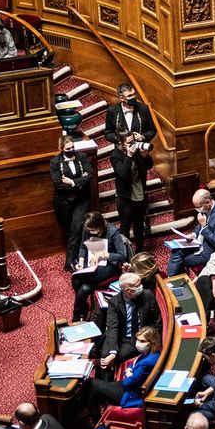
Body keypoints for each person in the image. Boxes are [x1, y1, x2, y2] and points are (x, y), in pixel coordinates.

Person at [105, 83, 157, 244]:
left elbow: (152, 130)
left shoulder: (143, 109)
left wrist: (142, 138)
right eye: (129, 95)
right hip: (123, 154)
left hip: (139, 155)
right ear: (121, 97)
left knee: (141, 187)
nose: (133, 97)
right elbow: (107, 133)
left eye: (134, 94)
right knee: (127, 185)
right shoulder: (112, 111)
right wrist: (122, 141)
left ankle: (143, 217)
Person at [71, 212, 131, 321]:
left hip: (108, 264)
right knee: (83, 286)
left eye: (93, 230)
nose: (90, 232)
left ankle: (77, 314)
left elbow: (122, 255)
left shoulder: (113, 232)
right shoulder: (87, 229)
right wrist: (81, 261)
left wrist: (103, 255)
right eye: (89, 230)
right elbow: (83, 247)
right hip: (91, 261)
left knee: (77, 279)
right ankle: (82, 307)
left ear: (100, 226)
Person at [88, 325, 160, 409]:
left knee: (90, 382)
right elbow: (134, 363)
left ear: (152, 342)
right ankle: (97, 419)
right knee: (91, 391)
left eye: (142, 341)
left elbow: (127, 383)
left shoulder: (147, 362)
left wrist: (129, 374)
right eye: (137, 339)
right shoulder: (152, 353)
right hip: (131, 386)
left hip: (130, 395)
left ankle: (95, 418)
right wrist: (130, 369)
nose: (138, 343)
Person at [50, 135, 93, 271]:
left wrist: (73, 182)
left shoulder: (82, 157)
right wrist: (81, 181)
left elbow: (90, 175)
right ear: (61, 149)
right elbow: (58, 185)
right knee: (69, 230)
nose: (72, 149)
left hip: (81, 199)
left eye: (73, 147)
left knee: (76, 227)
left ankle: (69, 263)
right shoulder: (55, 162)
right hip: (63, 202)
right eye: (68, 148)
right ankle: (78, 256)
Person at [166, 189, 215, 276]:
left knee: (184, 259)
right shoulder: (207, 208)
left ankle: (175, 281)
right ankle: (172, 281)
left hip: (210, 250)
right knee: (176, 250)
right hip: (199, 241)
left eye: (198, 207)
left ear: (207, 202)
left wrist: (204, 226)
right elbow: (199, 225)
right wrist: (193, 235)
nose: (197, 209)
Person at [101, 272, 160, 369]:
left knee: (113, 360)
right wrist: (113, 351)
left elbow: (157, 321)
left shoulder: (147, 295)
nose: (141, 287)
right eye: (137, 286)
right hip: (120, 336)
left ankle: (116, 383)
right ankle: (104, 383)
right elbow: (112, 327)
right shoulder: (114, 302)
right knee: (105, 358)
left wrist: (156, 344)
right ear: (128, 290)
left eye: (140, 284)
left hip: (136, 338)